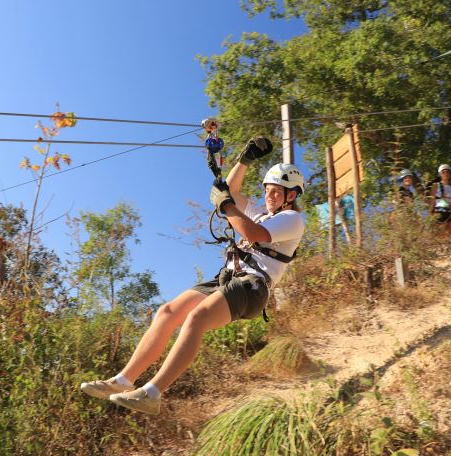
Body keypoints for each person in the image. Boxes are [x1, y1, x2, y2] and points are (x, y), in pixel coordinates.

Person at [79, 137, 305, 415]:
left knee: (196, 319)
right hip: (228, 276)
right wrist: (244, 160)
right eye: (268, 190)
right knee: (167, 312)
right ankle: (123, 380)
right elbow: (230, 191)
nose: (269, 196)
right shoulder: (259, 213)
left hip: (252, 286)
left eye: (276, 192)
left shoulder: (293, 220)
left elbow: (251, 233)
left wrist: (226, 207)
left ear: (291, 195)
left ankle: (152, 392)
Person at [429, 164, 451, 235]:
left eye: (447, 171)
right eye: (443, 172)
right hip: (440, 211)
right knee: (441, 234)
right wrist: (430, 215)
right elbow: (432, 201)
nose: (446, 173)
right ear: (440, 174)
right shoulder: (435, 186)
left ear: (450, 173)